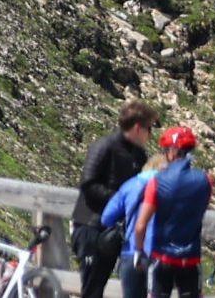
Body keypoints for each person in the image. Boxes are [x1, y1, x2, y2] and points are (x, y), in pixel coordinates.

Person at [72, 101, 158, 298]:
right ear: (138, 127)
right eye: (149, 128)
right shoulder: (104, 146)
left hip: (115, 232)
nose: (150, 134)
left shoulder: (139, 154)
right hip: (90, 227)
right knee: (92, 289)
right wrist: (121, 199)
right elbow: (88, 184)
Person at [133, 127, 211, 298]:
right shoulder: (205, 181)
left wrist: (138, 251)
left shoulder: (157, 181)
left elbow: (141, 224)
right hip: (190, 258)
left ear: (171, 152)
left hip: (162, 256)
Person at [102, 155, 162, 298]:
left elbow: (106, 217)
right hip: (159, 255)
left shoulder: (130, 185)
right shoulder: (170, 189)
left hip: (131, 251)